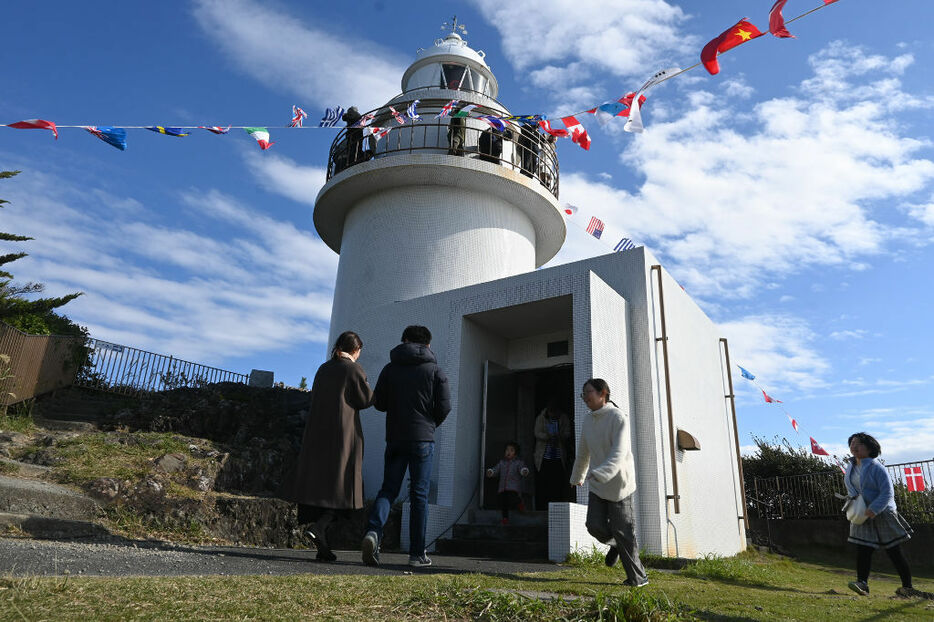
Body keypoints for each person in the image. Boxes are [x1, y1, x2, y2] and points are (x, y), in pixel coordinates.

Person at [362, 325, 451, 568]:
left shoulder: (390, 368)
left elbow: (379, 403)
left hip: (395, 438)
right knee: (419, 495)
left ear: (404, 341)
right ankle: (416, 554)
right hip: (423, 439)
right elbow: (445, 406)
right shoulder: (436, 371)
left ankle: (373, 532)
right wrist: (430, 424)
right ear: (428, 344)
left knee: (388, 489)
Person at [283, 331, 372, 561]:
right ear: (355, 349)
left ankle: (323, 546)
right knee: (344, 488)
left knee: (323, 488)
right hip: (343, 436)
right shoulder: (352, 369)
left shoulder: (324, 368)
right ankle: (320, 528)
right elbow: (365, 400)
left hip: (317, 435)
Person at [570, 378, 648, 587]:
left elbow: (619, 453)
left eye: (589, 392)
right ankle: (614, 544)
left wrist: (601, 472)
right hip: (598, 484)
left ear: (603, 392)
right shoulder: (588, 420)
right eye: (583, 394)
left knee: (624, 533)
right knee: (593, 525)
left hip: (620, 485)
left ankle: (638, 578)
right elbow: (584, 452)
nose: (585, 397)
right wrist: (577, 476)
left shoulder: (618, 417)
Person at [844, 432, 932, 599]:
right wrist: (855, 506)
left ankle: (907, 587)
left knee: (893, 550)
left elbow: (887, 493)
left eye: (859, 443)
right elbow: (852, 490)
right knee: (863, 548)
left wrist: (874, 509)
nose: (854, 446)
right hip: (862, 514)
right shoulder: (850, 467)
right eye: (852, 443)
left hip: (883, 513)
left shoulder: (877, 467)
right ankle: (862, 583)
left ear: (870, 449)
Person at [533, 399, 572, 509]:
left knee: (558, 483)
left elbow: (567, 433)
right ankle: (543, 507)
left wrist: (559, 436)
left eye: (555, 412)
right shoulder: (541, 418)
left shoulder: (563, 418)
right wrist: (548, 436)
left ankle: (557, 507)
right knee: (544, 483)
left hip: (559, 457)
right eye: (551, 412)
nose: (553, 415)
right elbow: (537, 432)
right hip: (544, 457)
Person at [486, 441, 530, 524]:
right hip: (503, 487)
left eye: (511, 450)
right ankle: (505, 518)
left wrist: (524, 471)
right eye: (507, 450)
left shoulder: (518, 462)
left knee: (512, 499)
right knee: (503, 503)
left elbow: (522, 468)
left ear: (515, 453)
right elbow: (496, 470)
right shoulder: (502, 463)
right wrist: (491, 472)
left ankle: (519, 502)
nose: (508, 452)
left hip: (513, 487)